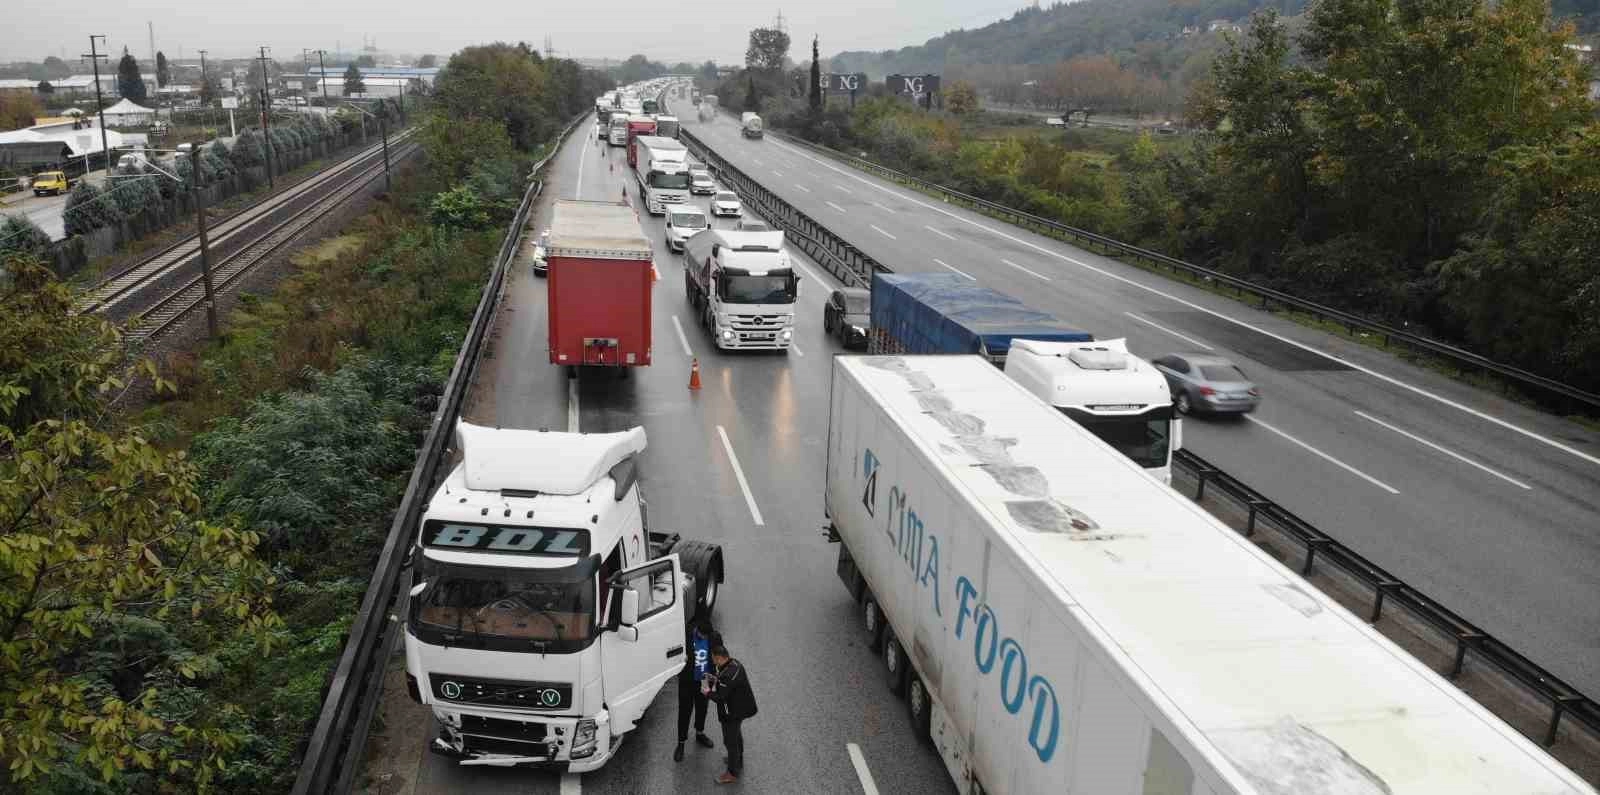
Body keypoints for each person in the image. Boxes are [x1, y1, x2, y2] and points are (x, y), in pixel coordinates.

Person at [705, 643, 757, 785]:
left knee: (730, 741)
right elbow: (725, 682)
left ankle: (732, 773)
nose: (712, 661)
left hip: (732, 713)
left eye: (713, 658)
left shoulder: (727, 676)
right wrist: (715, 678)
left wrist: (707, 692)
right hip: (741, 708)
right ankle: (738, 760)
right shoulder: (735, 663)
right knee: (736, 735)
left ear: (719, 658)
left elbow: (720, 697)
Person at [674, 615, 719, 762]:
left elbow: (719, 654)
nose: (704, 637)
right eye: (702, 635)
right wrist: (680, 662)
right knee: (684, 711)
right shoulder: (685, 634)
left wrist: (716, 677)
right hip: (687, 681)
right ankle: (681, 743)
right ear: (697, 630)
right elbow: (674, 652)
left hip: (705, 680)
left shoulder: (714, 637)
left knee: (702, 708)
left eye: (706, 636)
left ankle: (700, 733)